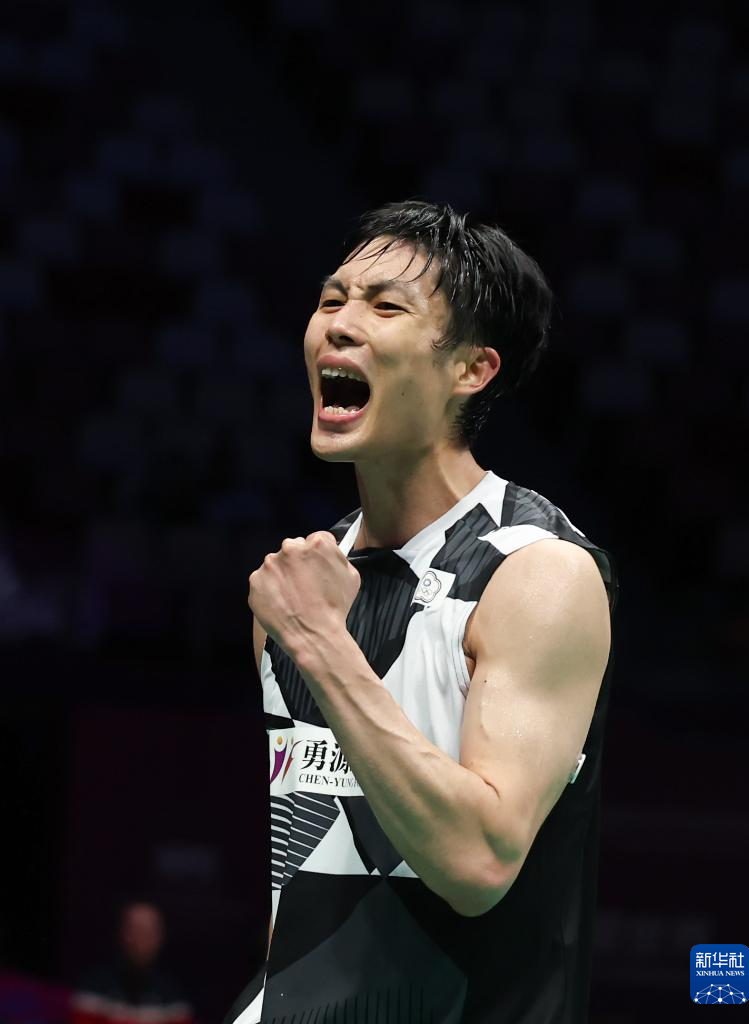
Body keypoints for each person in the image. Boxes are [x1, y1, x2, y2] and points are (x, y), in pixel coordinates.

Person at [226, 200, 619, 1024]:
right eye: (332, 300)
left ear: (472, 369)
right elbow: (304, 869)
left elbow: (478, 863)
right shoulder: (303, 587)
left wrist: (322, 645)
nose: (339, 324)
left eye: (385, 307)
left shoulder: (534, 574)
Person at [71, 900, 193, 1024]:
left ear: (160, 937)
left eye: (149, 931)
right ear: (121, 933)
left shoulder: (173, 998)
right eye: (135, 929)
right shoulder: (93, 988)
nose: (141, 939)